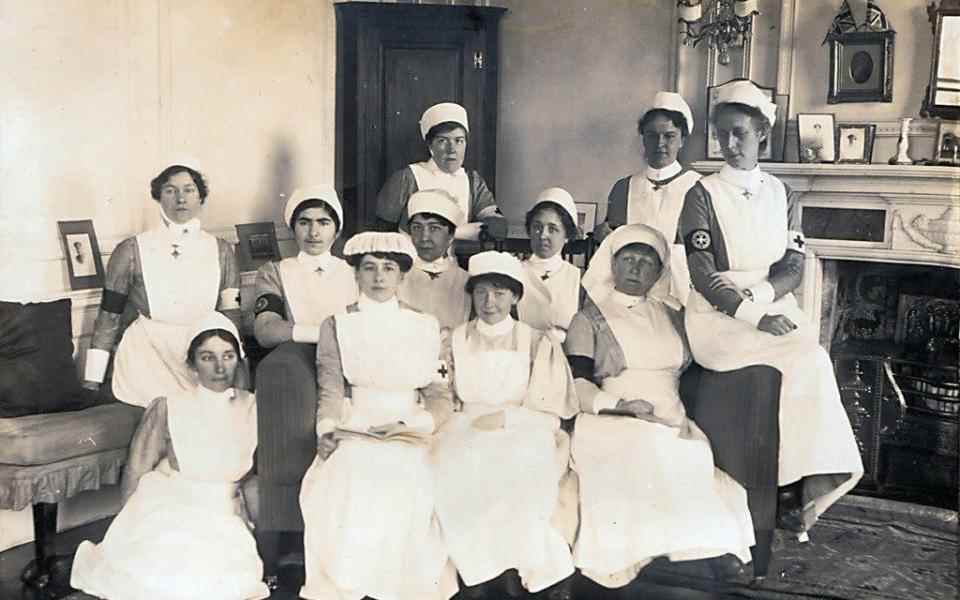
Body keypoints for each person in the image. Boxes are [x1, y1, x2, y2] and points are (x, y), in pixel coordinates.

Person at [678, 80, 862, 569]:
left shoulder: (779, 191)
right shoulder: (702, 194)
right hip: (720, 321)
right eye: (722, 135)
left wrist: (763, 300)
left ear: (761, 132)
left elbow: (794, 265)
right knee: (806, 359)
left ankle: (802, 486)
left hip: (769, 306)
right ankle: (794, 490)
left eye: (739, 133)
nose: (729, 144)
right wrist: (751, 312)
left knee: (814, 361)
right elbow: (701, 274)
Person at [564, 224, 755, 590]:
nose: (636, 269)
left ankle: (706, 551)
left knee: (693, 456)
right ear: (613, 265)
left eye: (646, 263)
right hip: (610, 418)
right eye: (628, 260)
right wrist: (621, 405)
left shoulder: (672, 315)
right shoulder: (589, 318)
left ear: (658, 272)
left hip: (670, 414)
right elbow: (577, 386)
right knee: (651, 449)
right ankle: (677, 556)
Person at [298, 232, 457, 600]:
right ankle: (352, 582)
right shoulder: (336, 323)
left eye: (388, 268)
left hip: (411, 423)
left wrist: (419, 425)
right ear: (356, 273)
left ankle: (400, 586)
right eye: (369, 268)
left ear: (402, 276)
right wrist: (327, 427)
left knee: (412, 479)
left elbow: (438, 394)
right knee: (349, 475)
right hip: (357, 420)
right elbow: (331, 385)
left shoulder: (426, 324)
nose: (379, 277)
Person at [71, 313, 269, 600]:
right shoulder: (169, 406)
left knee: (221, 580)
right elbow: (138, 467)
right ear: (191, 364)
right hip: (170, 505)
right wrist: (127, 528)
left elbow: (256, 476)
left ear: (238, 359)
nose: (219, 367)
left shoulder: (254, 406)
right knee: (159, 572)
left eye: (227, 356)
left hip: (224, 513)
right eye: (207, 357)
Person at [431, 251, 578, 600]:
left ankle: (523, 570)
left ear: (514, 297)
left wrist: (509, 418)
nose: (489, 301)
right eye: (481, 292)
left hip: (524, 427)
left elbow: (551, 409)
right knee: (454, 472)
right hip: (463, 426)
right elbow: (443, 398)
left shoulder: (538, 341)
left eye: (499, 292)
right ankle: (477, 574)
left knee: (518, 473)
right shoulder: (453, 340)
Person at [82, 161, 241, 407]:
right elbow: (109, 316)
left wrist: (239, 366)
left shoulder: (221, 250)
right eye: (170, 190)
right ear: (158, 197)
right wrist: (92, 379)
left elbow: (231, 314)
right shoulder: (131, 250)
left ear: (200, 196)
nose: (180, 199)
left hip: (203, 357)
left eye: (188, 190)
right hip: (147, 358)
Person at [593, 92, 701, 305]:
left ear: (682, 140)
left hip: (679, 296)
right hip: (631, 296)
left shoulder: (698, 187)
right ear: (643, 138)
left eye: (669, 136)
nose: (660, 143)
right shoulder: (624, 188)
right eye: (652, 136)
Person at [374, 102, 506, 239]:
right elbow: (383, 233)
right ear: (430, 146)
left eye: (459, 141)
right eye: (443, 141)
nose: (452, 149)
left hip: (459, 258)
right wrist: (463, 232)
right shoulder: (407, 178)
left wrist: (451, 234)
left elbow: (498, 227)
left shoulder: (473, 180)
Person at [253, 185, 357, 348]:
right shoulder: (274, 272)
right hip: (297, 361)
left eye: (323, 223)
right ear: (292, 229)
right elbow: (266, 331)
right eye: (304, 222)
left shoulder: (355, 272)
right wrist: (325, 335)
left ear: (337, 231)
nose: (313, 232)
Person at [397, 189, 472, 330]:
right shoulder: (396, 276)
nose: (424, 237)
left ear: (450, 236)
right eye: (417, 227)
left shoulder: (466, 281)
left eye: (434, 228)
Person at [516, 187, 583, 343]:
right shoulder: (515, 271)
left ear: (567, 235)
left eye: (552, 229)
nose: (543, 235)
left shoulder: (578, 279)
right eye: (537, 227)